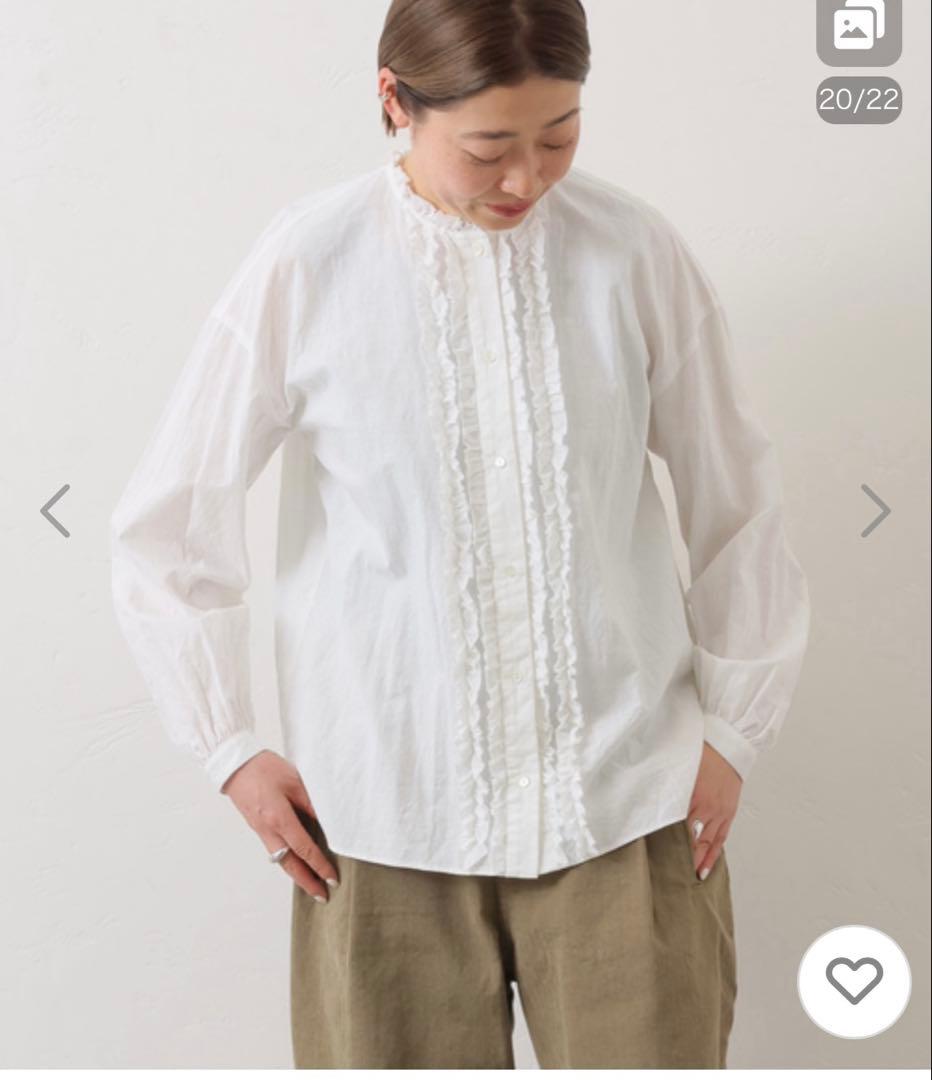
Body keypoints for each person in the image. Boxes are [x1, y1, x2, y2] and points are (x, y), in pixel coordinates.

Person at [109, 0, 811, 1068]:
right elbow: (165, 527)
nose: (526, 178)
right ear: (394, 100)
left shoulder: (631, 251)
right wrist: (229, 748)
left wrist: (735, 730)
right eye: (487, 147)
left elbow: (738, 498)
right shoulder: (310, 260)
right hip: (380, 819)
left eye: (559, 136)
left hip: (626, 807)